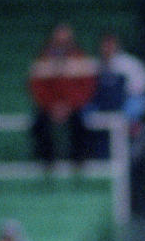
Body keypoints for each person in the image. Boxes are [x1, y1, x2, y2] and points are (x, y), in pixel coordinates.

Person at [27, 22, 98, 170]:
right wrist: (52, 106)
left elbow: (87, 87)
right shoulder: (43, 59)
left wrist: (69, 105)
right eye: (59, 40)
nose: (62, 44)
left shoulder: (80, 58)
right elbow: (36, 88)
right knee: (39, 123)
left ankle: (79, 160)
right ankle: (46, 160)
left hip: (74, 106)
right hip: (50, 107)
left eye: (65, 41)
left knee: (81, 121)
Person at [87, 32, 145, 139]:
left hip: (128, 99)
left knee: (138, 104)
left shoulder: (129, 63)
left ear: (117, 45)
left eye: (110, 44)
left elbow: (142, 84)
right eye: (105, 45)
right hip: (105, 102)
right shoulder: (96, 63)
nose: (107, 48)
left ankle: (134, 133)